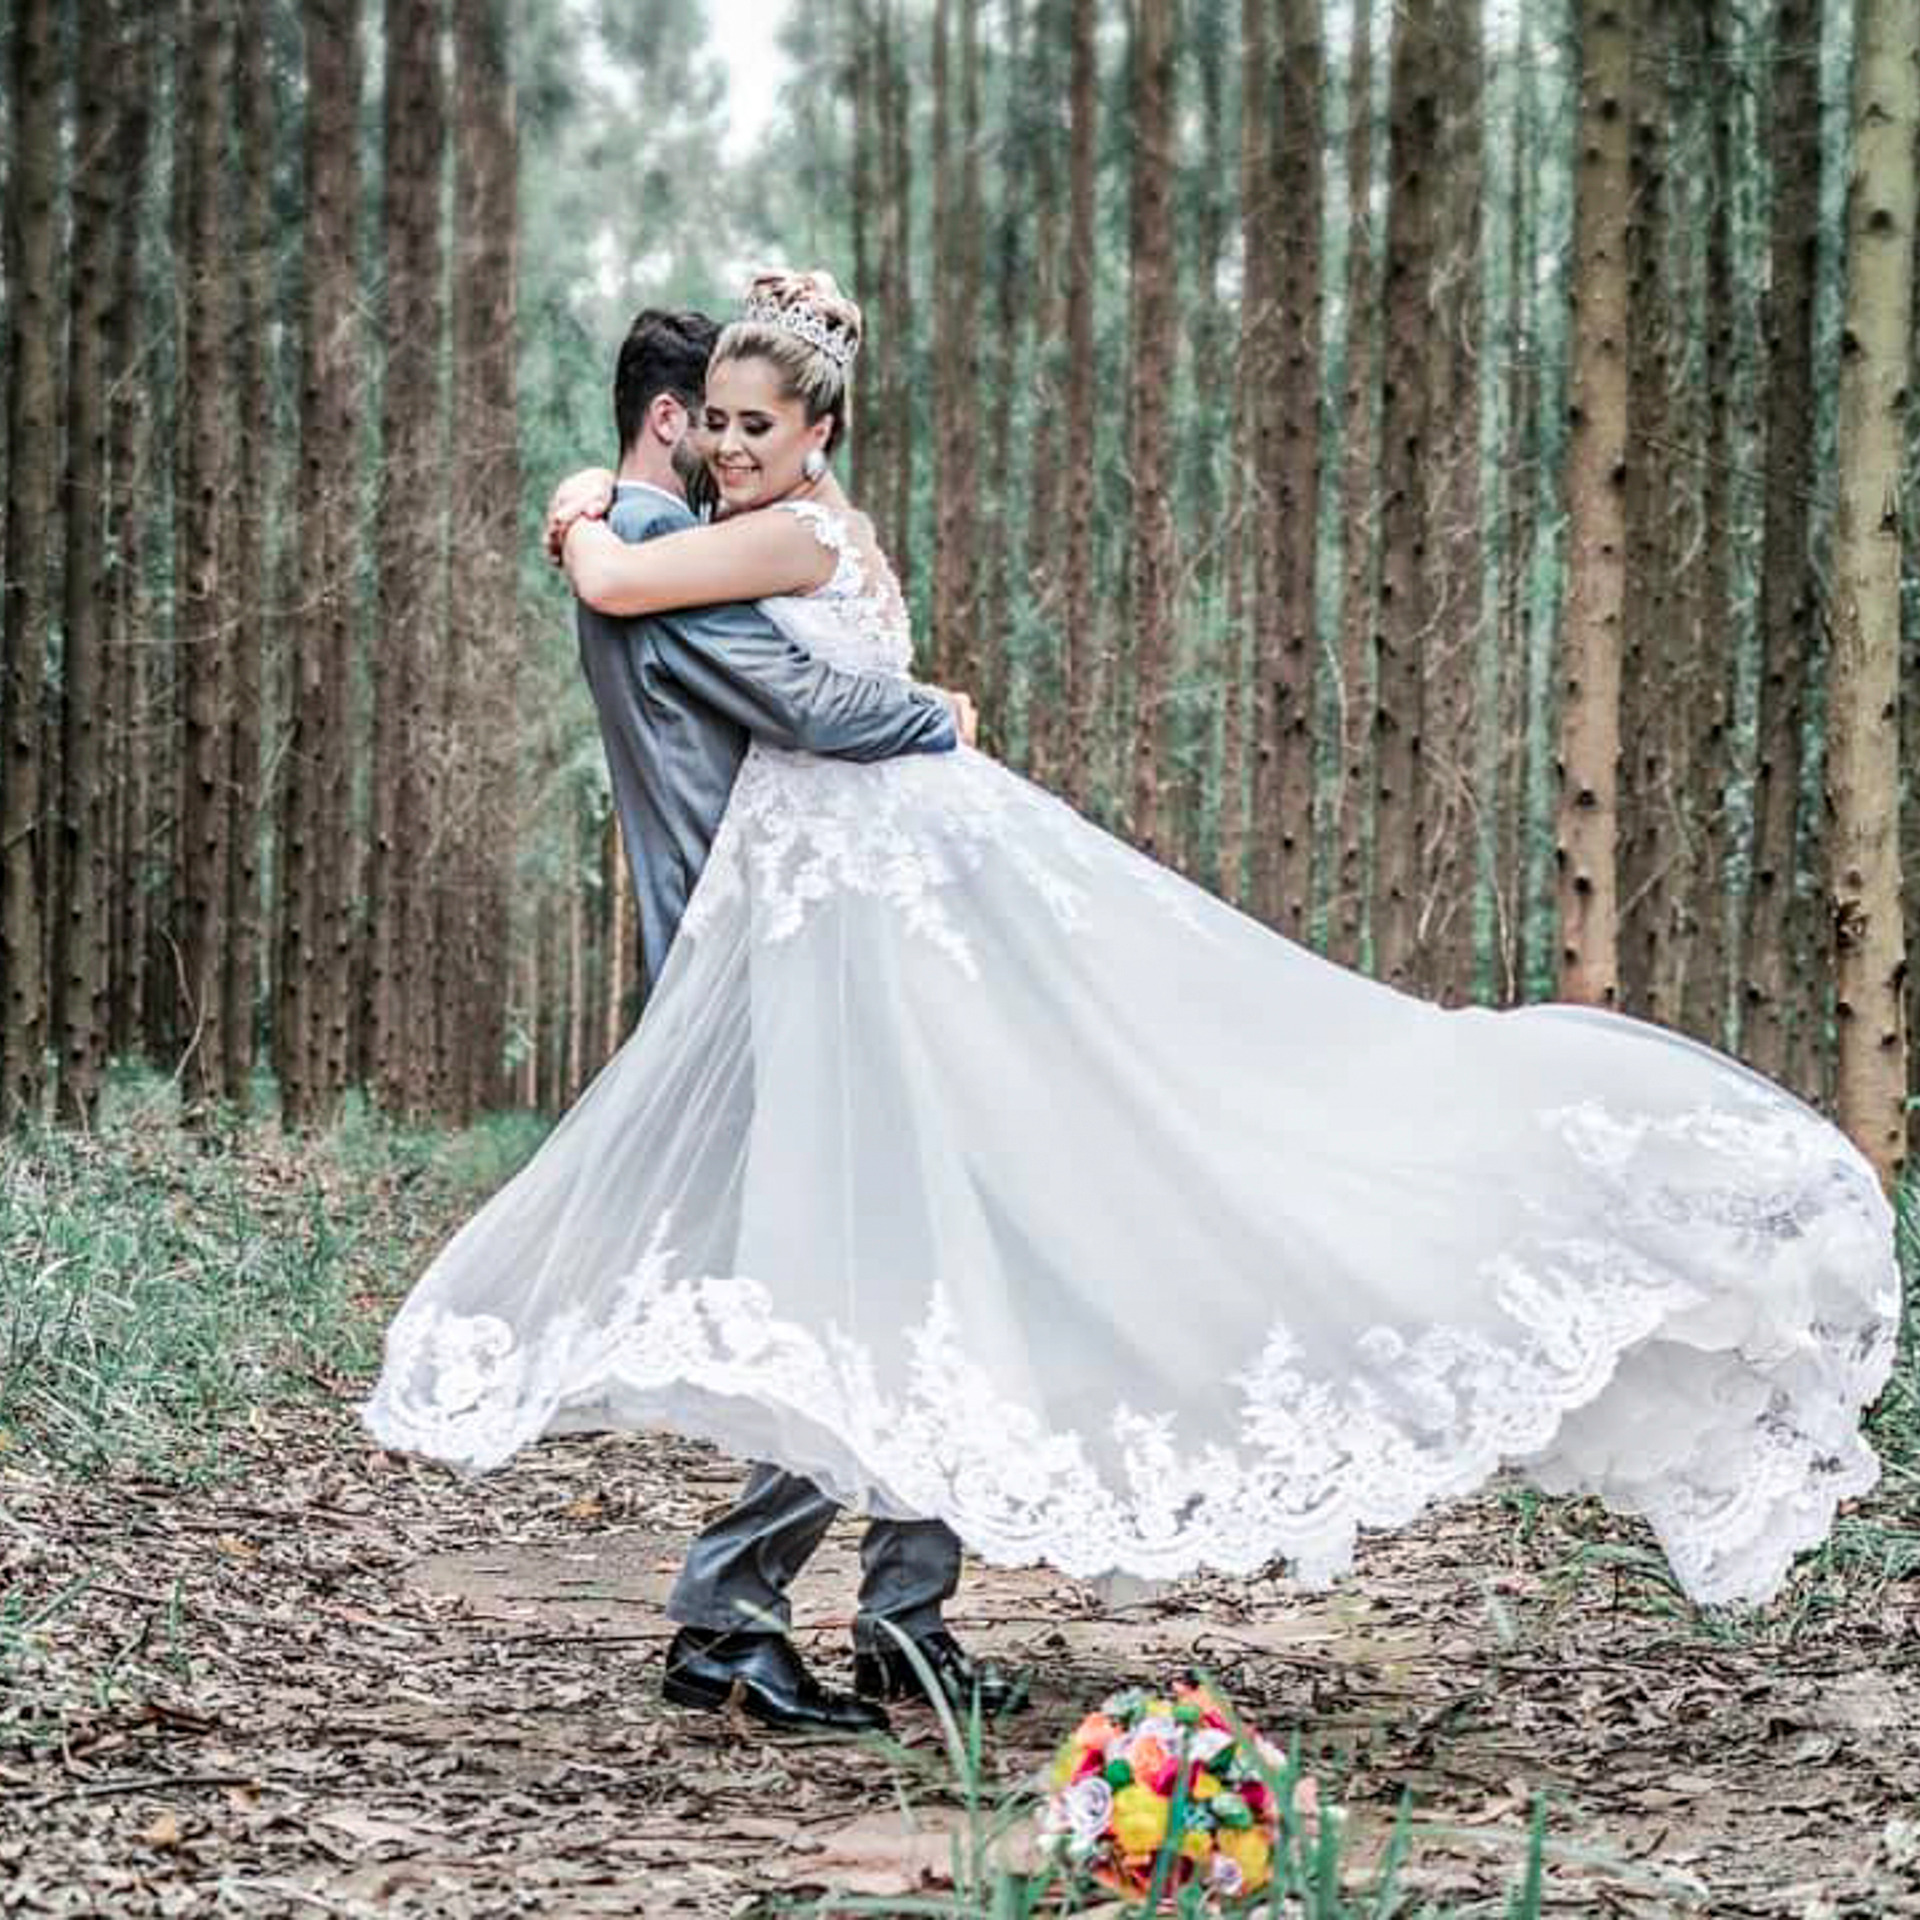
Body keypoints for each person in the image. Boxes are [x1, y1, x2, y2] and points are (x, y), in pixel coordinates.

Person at [365, 270, 1901, 1693]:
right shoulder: (668, 556)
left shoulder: (755, 539)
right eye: (717, 426)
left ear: (815, 430)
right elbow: (799, 690)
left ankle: (852, 1610)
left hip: (898, 952)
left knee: (943, 1257)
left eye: (759, 428)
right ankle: (796, 1607)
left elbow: (799, 680)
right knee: (908, 1270)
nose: (732, 450)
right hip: (831, 962)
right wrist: (617, 535)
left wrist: (654, 555)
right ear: (673, 420)